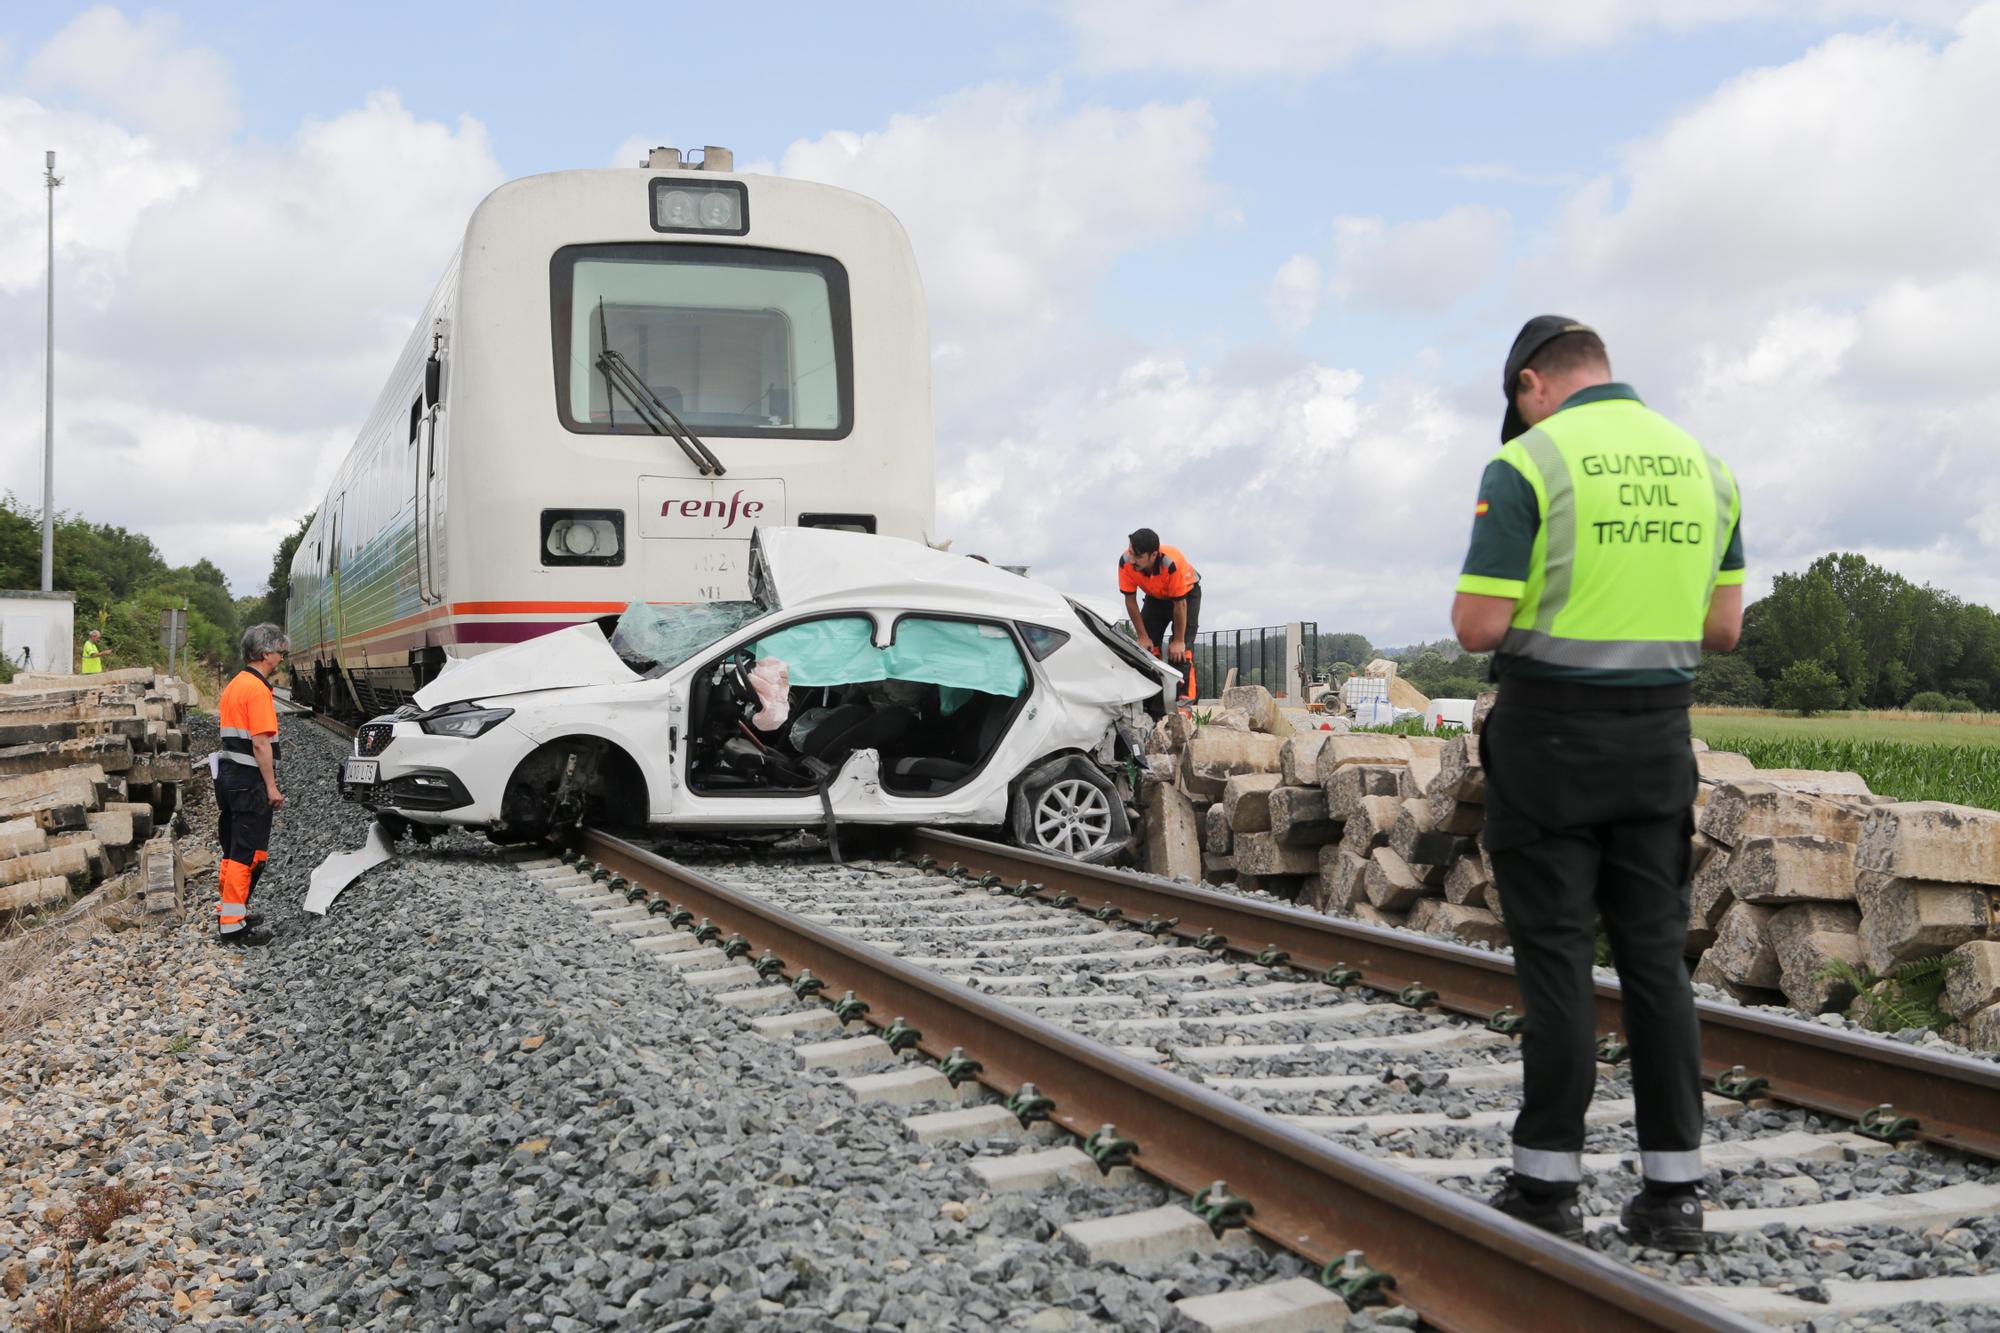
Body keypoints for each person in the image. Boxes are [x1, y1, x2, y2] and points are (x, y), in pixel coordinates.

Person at [1451, 316, 1743, 1253]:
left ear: (1533, 383)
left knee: (1559, 963)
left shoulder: (1531, 463)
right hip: (1660, 741)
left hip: (1550, 741)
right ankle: (1675, 1193)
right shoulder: (1709, 468)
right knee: (1657, 963)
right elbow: (1724, 628)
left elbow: (1478, 625)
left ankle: (1547, 1186)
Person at [214, 624, 290, 947]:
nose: (282, 657)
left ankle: (232, 909)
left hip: (229, 778)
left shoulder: (235, 685)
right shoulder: (257, 690)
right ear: (264, 654)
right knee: (248, 852)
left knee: (235, 849)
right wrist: (271, 787)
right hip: (248, 781)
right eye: (279, 652)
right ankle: (232, 925)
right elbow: (261, 744)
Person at [1118, 528, 1201, 702]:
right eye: (1131, 552)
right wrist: (1142, 636)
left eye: (1138, 556)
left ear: (1153, 554)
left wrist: (1178, 641)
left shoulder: (1172, 562)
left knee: (1180, 652)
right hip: (1155, 597)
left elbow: (1180, 604)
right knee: (1147, 649)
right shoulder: (1125, 562)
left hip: (1185, 596)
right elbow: (1130, 601)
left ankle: (1183, 702)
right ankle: (1153, 700)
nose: (1132, 559)